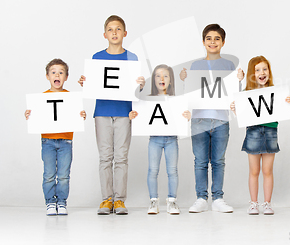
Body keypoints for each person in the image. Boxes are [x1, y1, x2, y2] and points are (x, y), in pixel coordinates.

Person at [79, 15, 145, 215]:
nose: (114, 32)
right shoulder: (97, 57)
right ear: (104, 34)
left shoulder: (132, 58)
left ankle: (120, 200)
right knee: (105, 157)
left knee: (122, 157)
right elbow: (94, 83)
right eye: (110, 29)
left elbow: (137, 91)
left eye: (118, 29)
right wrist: (85, 82)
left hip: (124, 112)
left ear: (125, 33)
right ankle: (106, 199)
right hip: (102, 112)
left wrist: (141, 84)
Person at [180, 24, 244, 213]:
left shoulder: (229, 65)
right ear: (203, 42)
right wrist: (185, 79)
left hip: (221, 120)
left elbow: (233, 95)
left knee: (218, 161)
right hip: (199, 119)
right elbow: (190, 92)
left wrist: (239, 82)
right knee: (200, 161)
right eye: (209, 38)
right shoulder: (196, 66)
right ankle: (201, 197)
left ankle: (218, 197)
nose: (213, 42)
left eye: (217, 38)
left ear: (223, 42)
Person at [230, 56, 290, 215]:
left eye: (265, 69)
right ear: (252, 74)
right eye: (257, 70)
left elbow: (282, 106)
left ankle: (267, 203)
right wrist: (235, 107)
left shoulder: (275, 92)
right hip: (253, 132)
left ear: (269, 72)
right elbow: (241, 112)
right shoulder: (246, 93)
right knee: (254, 170)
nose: (261, 73)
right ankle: (253, 203)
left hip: (271, 132)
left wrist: (288, 102)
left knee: (267, 170)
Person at [25, 58, 86, 216]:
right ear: (47, 76)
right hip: (47, 141)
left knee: (64, 175)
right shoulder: (41, 98)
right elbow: (36, 116)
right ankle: (50, 202)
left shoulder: (71, 97)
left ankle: (62, 202)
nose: (57, 75)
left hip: (66, 141)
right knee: (49, 174)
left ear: (66, 77)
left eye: (61, 72)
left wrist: (81, 115)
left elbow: (75, 115)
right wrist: (30, 115)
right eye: (53, 72)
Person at [129, 64, 191, 215]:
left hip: (171, 140)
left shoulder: (176, 100)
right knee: (152, 170)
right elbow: (138, 108)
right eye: (157, 75)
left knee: (172, 171)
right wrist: (133, 116)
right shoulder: (147, 100)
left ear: (171, 80)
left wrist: (187, 116)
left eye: (165, 76)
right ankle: (153, 201)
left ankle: (172, 201)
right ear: (153, 80)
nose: (161, 78)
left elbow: (182, 114)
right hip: (155, 140)